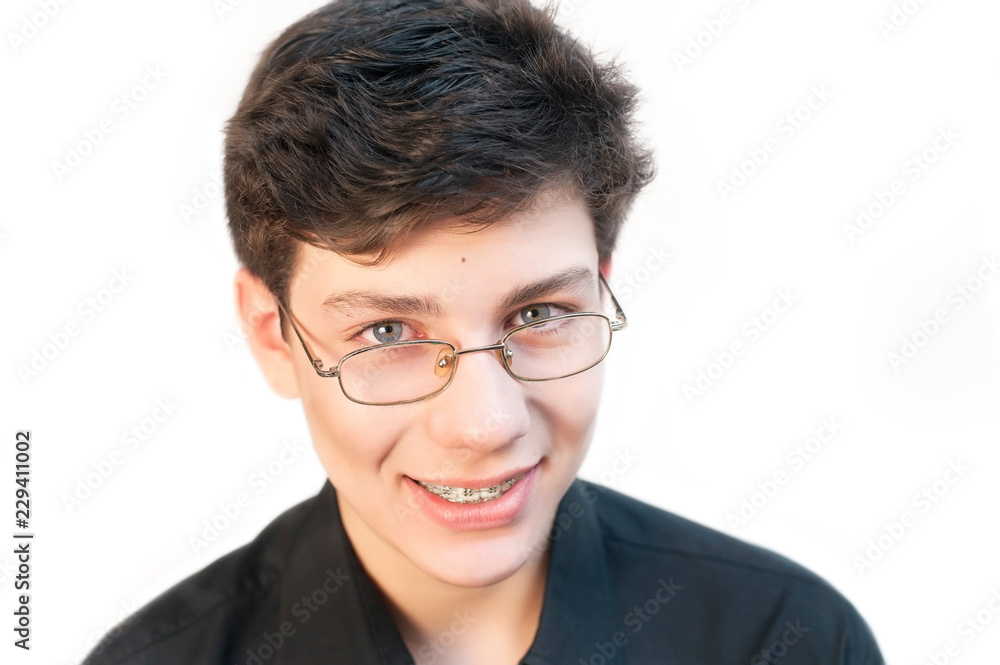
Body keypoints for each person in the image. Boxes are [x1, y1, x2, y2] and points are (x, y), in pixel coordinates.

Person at [85, 0, 884, 663]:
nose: (485, 423)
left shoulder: (788, 639)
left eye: (537, 315)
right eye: (388, 329)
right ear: (272, 334)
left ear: (600, 294)